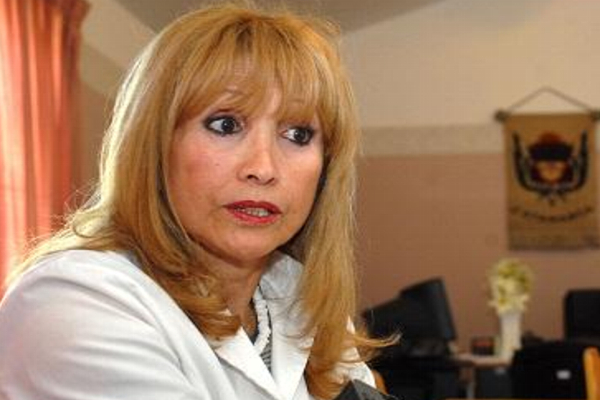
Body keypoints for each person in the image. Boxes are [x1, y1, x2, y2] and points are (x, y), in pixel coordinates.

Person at [0, 2, 386, 399]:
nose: (263, 167)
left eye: (298, 135)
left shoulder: (303, 297)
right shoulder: (74, 302)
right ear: (155, 143)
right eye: (225, 125)